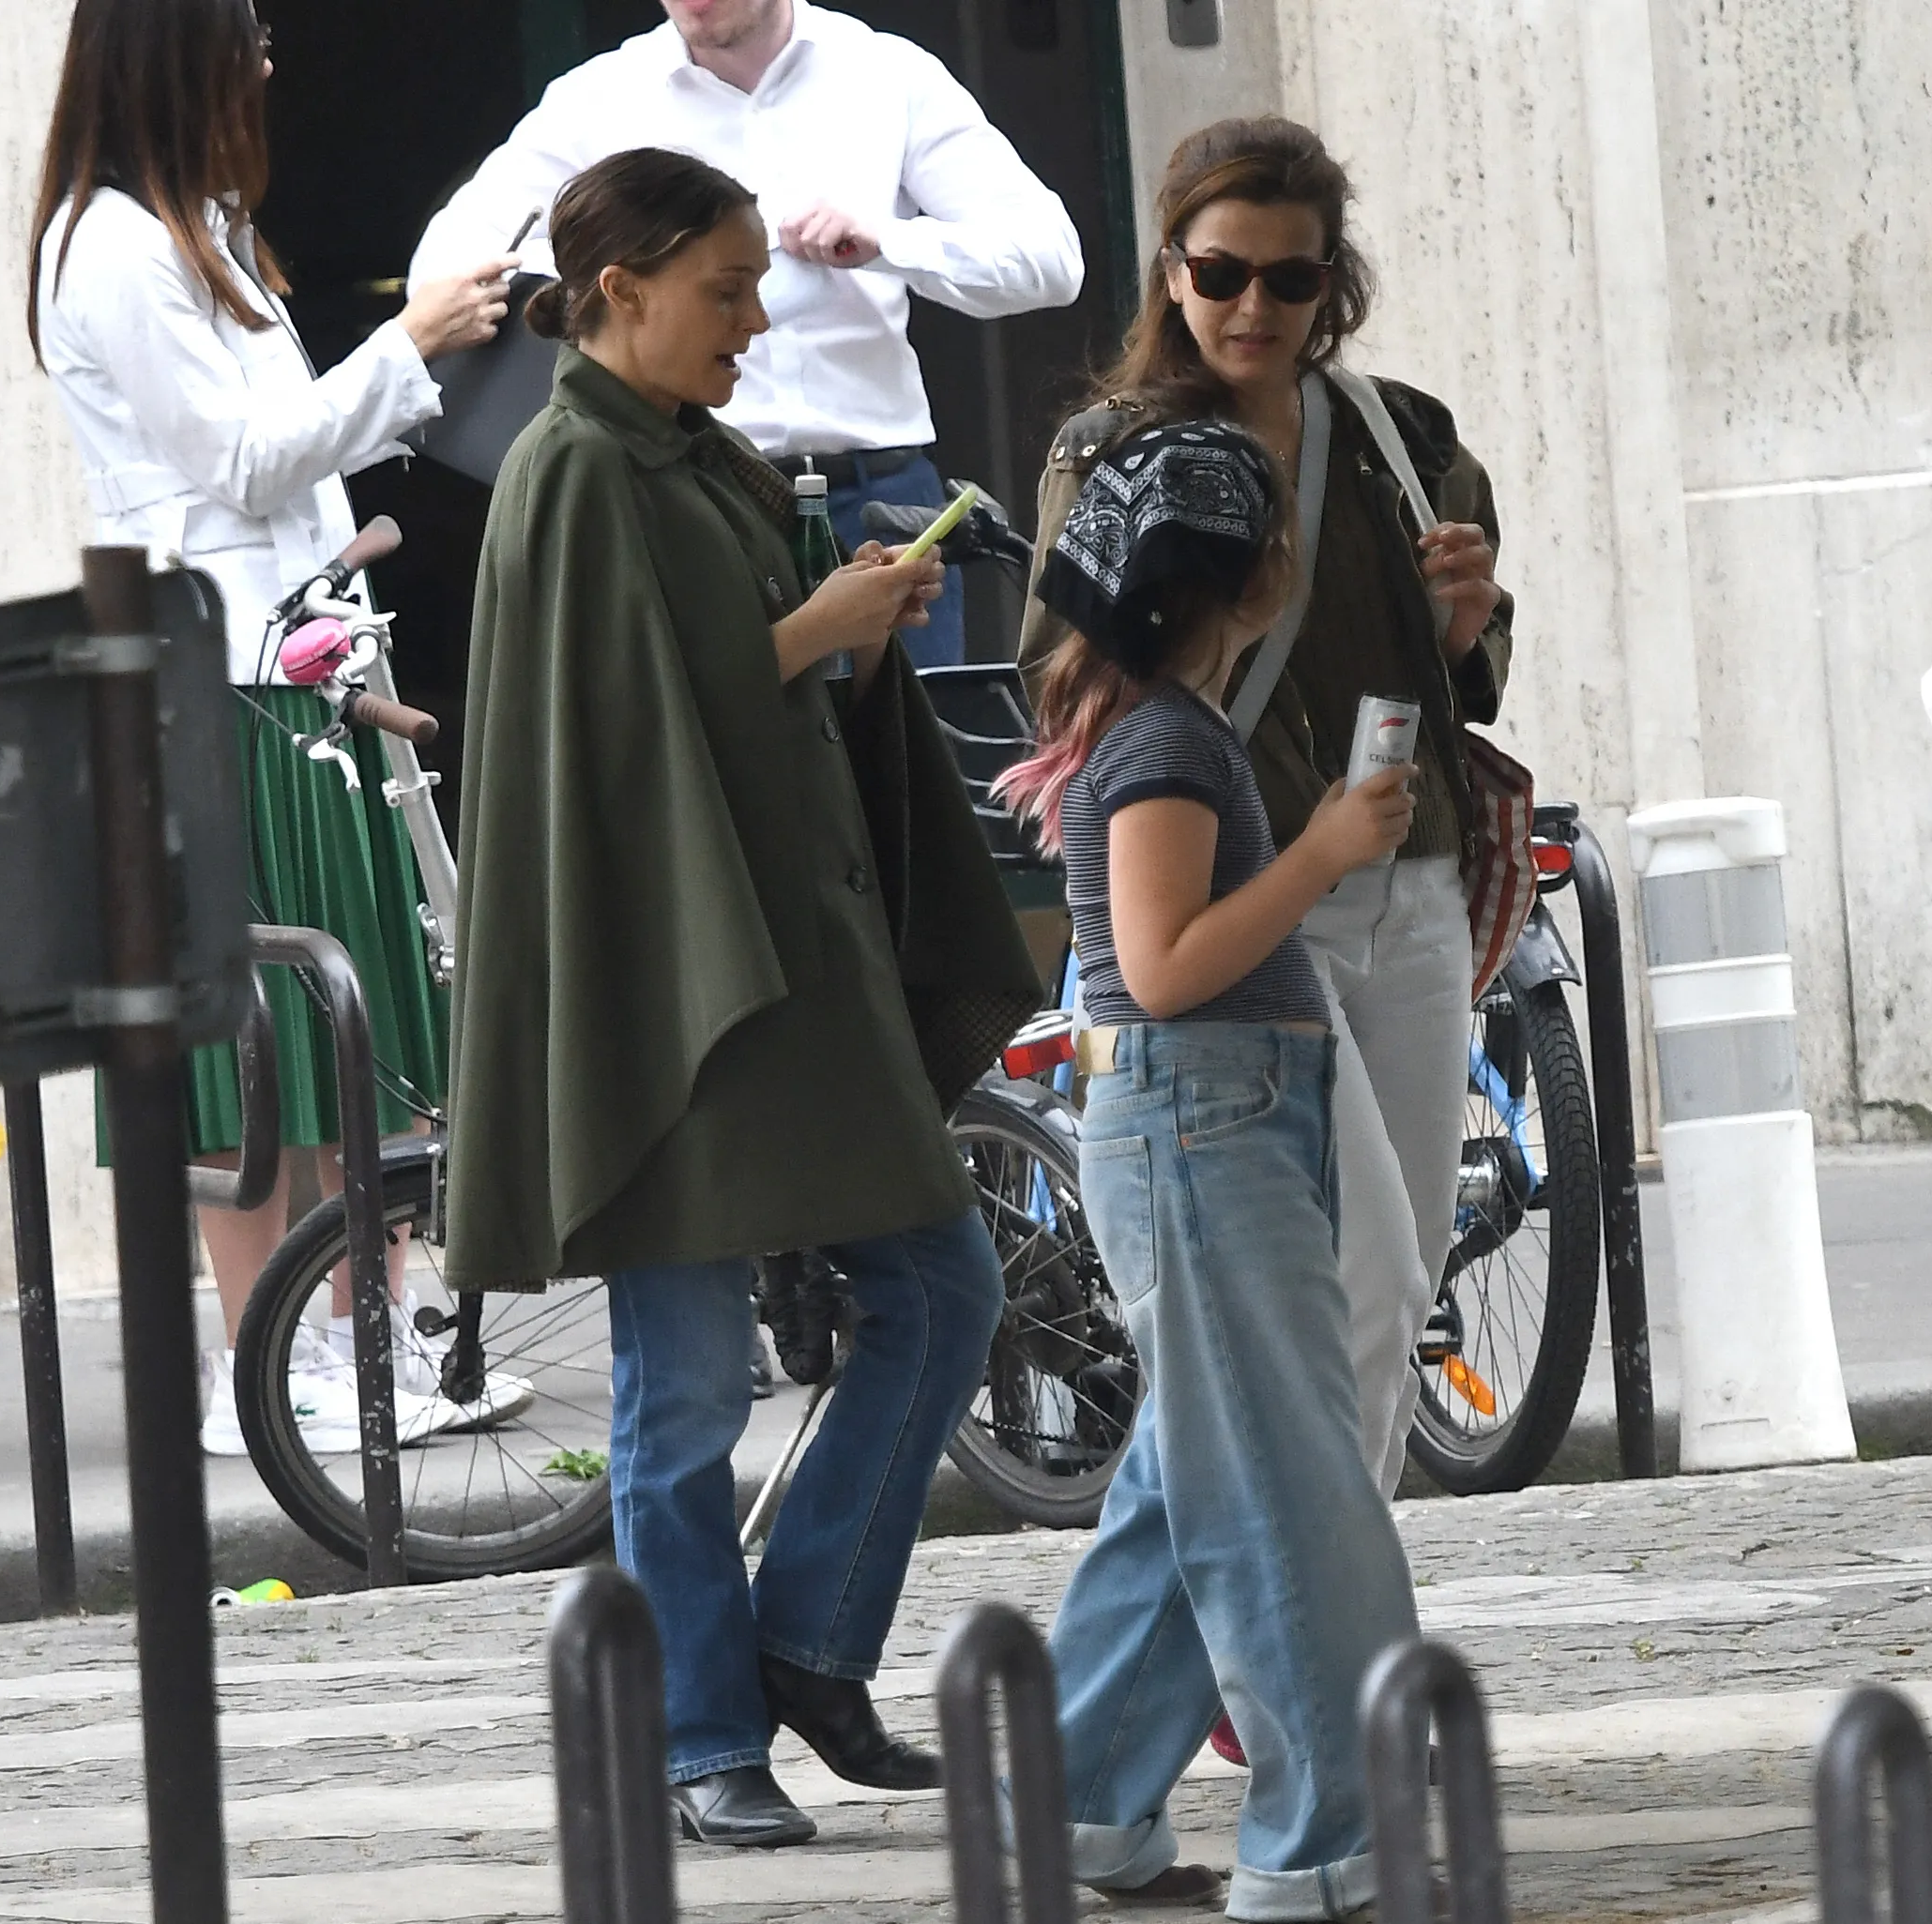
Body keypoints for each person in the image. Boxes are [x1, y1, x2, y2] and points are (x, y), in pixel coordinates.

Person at [441, 147, 1044, 1848]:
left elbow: (718, 689)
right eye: (724, 288)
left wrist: (848, 625)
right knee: (686, 1383)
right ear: (621, 288)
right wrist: (814, 628)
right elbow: (611, 733)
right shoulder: (567, 467)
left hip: (786, 966)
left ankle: (800, 1647)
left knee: (941, 1285)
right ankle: (708, 1731)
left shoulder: (699, 456)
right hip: (669, 991)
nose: (753, 318)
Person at [27, 0, 525, 1455]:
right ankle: (269, 1363)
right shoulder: (113, 243)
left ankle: (354, 1338)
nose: (263, 57)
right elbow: (240, 462)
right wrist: (407, 341)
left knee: (326, 1029)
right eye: (238, 33)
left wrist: (414, 375)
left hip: (283, 657)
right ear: (173, 55)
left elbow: (291, 446)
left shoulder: (205, 229)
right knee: (244, 1042)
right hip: (212, 672)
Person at [1022, 115, 1513, 1508]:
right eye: (1221, 272)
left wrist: (1469, 621)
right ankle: (1292, 1612)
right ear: (1171, 270)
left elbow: (1464, 680)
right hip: (1231, 900)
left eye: (1289, 281)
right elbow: (1054, 691)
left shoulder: (1403, 439)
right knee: (1312, 1290)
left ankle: (1317, 1595)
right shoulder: (1107, 454)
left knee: (1395, 1272)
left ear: (1329, 284)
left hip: (1402, 883)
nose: (1252, 307)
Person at [996, 420, 1422, 1917]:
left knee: (1199, 1479)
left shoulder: (1154, 726)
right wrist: (1321, 851)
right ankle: (1321, 1847)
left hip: (1211, 1116)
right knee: (1282, 1493)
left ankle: (1072, 1806)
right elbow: (1164, 968)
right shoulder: (1169, 743)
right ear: (1248, 584)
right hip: (1204, 1113)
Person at [409, 0, 1088, 668]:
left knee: (912, 763)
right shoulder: (601, 98)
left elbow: (1048, 261)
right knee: (723, 759)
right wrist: (637, 271)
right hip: (694, 496)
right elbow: (447, 267)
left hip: (875, 502)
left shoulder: (886, 74)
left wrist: (886, 241)